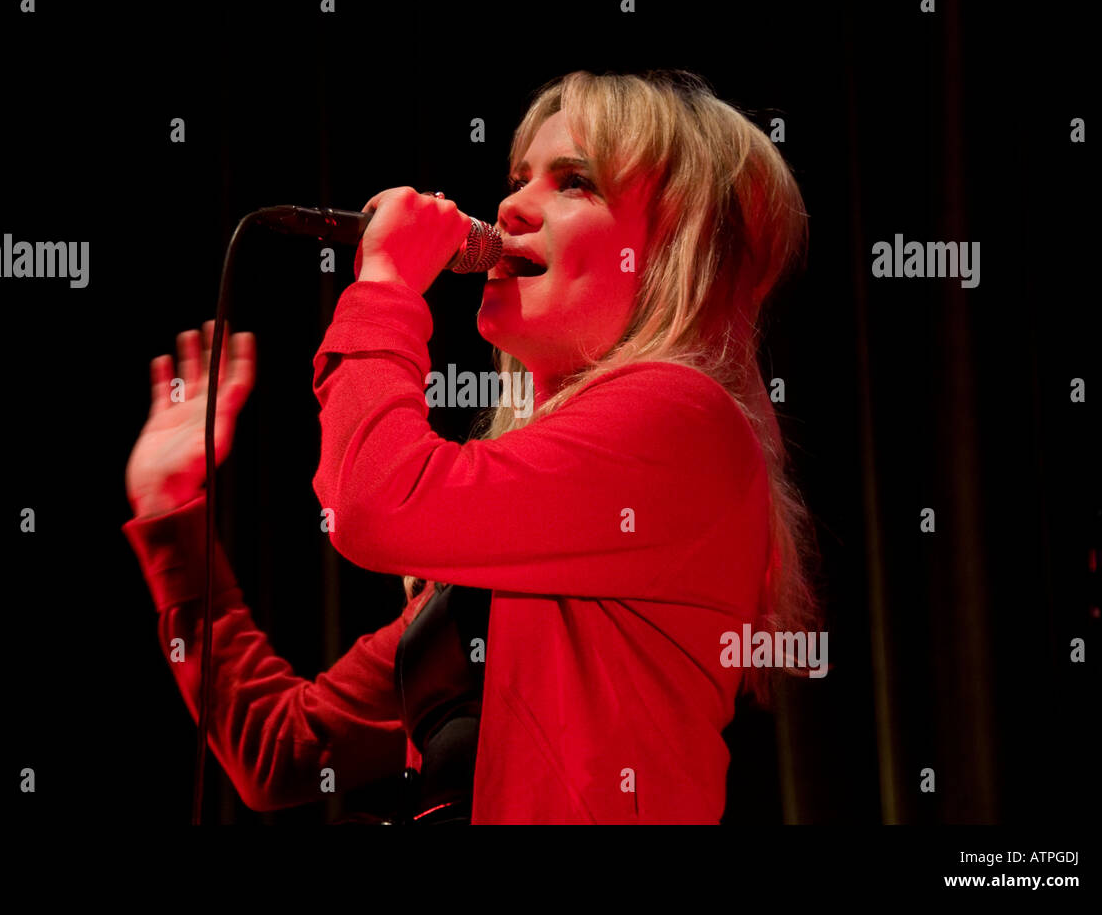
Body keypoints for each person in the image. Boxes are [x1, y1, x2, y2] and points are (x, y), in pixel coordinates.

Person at [123, 68, 820, 824]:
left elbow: (372, 502)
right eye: (519, 176)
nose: (512, 204)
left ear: (675, 251)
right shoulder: (519, 546)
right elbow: (286, 750)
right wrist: (173, 519)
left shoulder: (687, 421)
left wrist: (386, 284)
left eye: (575, 183)